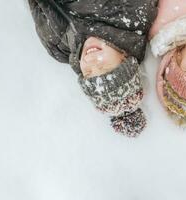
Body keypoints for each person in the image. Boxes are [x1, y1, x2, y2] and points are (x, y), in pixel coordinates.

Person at [28, 0, 158, 137]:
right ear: (124, 58)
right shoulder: (132, 12)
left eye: (88, 72)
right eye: (103, 66)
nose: (90, 60)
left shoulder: (59, 49)